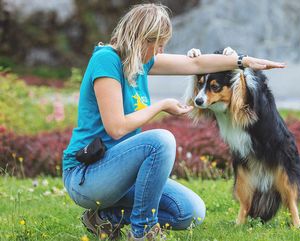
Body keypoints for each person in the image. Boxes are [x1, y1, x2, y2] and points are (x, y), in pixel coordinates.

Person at [62, 3, 286, 241]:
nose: (159, 51)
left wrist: (244, 61)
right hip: (87, 176)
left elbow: (196, 65)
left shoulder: (140, 63)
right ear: (142, 39)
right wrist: (160, 106)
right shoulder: (107, 60)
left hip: (121, 176)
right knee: (161, 140)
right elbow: (116, 128)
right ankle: (143, 231)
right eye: (158, 44)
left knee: (189, 212)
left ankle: (106, 218)